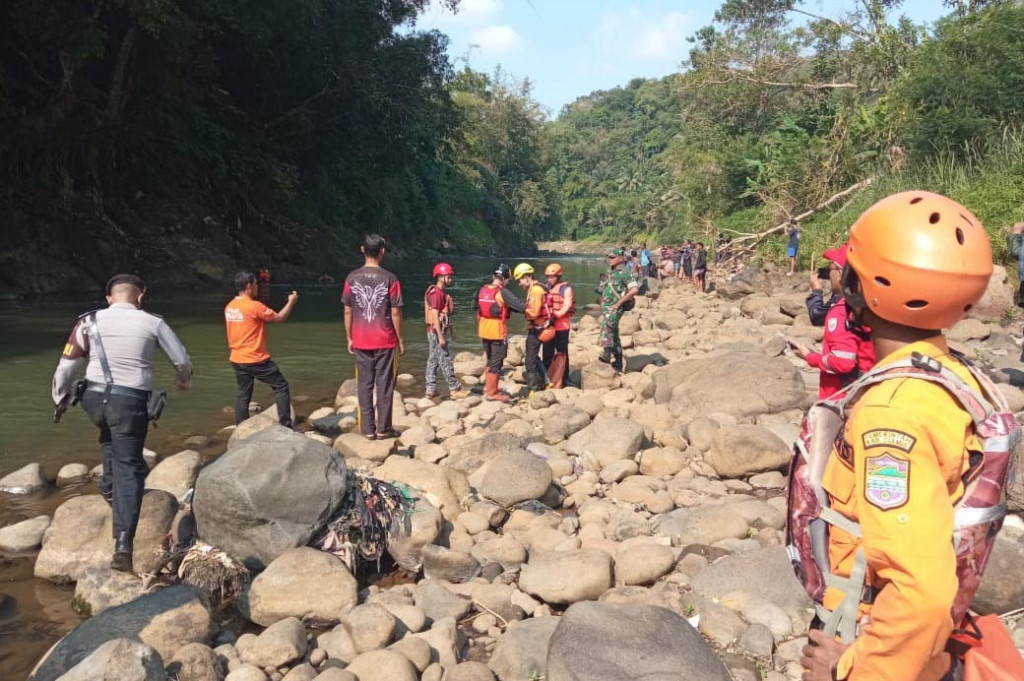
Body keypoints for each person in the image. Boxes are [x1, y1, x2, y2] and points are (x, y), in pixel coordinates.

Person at [796, 192, 1000, 681]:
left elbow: (921, 592)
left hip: (873, 637)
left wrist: (848, 669)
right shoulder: (954, 375)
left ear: (861, 288)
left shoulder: (892, 416)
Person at [51, 274, 192, 572]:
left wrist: (59, 399)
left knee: (109, 436)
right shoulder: (152, 322)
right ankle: (123, 545)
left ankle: (108, 488)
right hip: (130, 403)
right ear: (141, 296)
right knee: (130, 468)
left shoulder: (88, 322)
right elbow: (181, 359)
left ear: (110, 298)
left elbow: (66, 367)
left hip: (93, 401)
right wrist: (182, 380)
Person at [788, 245, 875, 399]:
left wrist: (809, 357)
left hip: (842, 398)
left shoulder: (843, 310)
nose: (828, 274)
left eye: (831, 269)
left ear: (842, 273)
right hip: (868, 392)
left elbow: (843, 362)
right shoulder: (872, 306)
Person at [342, 234, 405, 440]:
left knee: (364, 384)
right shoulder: (390, 279)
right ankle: (383, 429)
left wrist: (349, 337)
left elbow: (348, 311)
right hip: (385, 340)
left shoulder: (351, 278)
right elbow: (395, 312)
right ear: (382, 251)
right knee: (385, 385)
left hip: (360, 339)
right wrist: (400, 340)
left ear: (362, 249)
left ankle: (367, 429)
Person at [225, 272, 299, 428]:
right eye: (256, 284)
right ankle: (286, 425)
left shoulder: (230, 307)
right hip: (255, 358)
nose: (257, 286)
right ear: (248, 286)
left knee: (243, 395)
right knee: (281, 386)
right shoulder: (254, 306)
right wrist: (291, 302)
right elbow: (279, 318)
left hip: (237, 358)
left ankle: (241, 428)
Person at [476, 263, 525, 402]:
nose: (507, 282)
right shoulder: (502, 292)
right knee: (497, 362)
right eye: (508, 279)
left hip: (484, 330)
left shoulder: (482, 290)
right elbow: (519, 307)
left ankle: (490, 388)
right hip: (497, 331)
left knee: (490, 360)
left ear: (494, 276)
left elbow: (476, 306)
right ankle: (492, 393)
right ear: (504, 279)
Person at [424, 263, 467, 400]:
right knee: (445, 358)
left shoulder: (440, 293)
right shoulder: (436, 294)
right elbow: (435, 316)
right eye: (448, 276)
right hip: (436, 332)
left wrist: (451, 331)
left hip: (435, 331)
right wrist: (441, 337)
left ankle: (430, 389)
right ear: (441, 277)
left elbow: (445, 315)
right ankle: (454, 388)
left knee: (433, 360)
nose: (450, 279)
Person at [598, 248, 639, 372]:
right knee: (614, 334)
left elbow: (634, 289)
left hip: (617, 307)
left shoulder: (625, 272)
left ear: (621, 259)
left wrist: (619, 303)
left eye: (613, 257)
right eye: (609, 257)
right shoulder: (609, 271)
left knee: (607, 325)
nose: (610, 260)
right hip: (606, 306)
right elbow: (605, 287)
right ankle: (618, 361)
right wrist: (602, 302)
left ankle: (606, 352)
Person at [514, 263, 551, 392]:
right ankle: (547, 381)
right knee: (534, 356)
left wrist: (520, 309)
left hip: (537, 328)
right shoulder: (535, 288)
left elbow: (534, 312)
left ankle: (534, 390)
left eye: (520, 279)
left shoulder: (535, 290)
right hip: (540, 326)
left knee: (529, 361)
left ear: (527, 277)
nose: (519, 283)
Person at [543, 263, 575, 389]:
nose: (550, 279)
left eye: (552, 277)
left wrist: (555, 316)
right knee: (547, 352)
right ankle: (547, 378)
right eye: (548, 277)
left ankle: (565, 378)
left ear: (558, 276)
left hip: (562, 326)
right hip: (549, 326)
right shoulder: (546, 288)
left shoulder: (566, 289)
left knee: (562, 353)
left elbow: (566, 306)